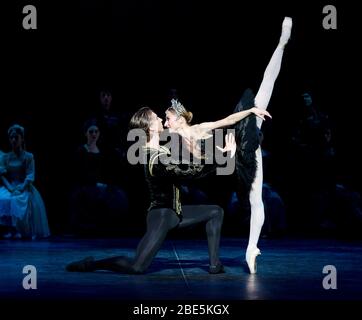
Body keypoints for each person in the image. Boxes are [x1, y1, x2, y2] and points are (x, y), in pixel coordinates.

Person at [164, 17, 292, 273]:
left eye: (168, 119)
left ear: (178, 120)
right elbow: (205, 166)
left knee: (264, 91)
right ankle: (252, 248)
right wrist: (227, 156)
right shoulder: (178, 143)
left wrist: (250, 112)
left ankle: (282, 43)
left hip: (241, 138)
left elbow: (226, 120)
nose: (166, 124)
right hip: (239, 155)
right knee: (256, 199)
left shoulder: (197, 129)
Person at [66, 107, 236, 274]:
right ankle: (91, 265)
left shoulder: (161, 150)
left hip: (175, 213)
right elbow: (191, 172)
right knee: (136, 266)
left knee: (216, 211)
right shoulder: (153, 157)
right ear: (150, 127)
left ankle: (215, 264)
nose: (161, 119)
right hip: (162, 216)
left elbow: (189, 165)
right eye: (156, 118)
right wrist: (223, 158)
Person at [69, 119, 129, 236]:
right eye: (91, 132)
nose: (94, 134)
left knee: (118, 195)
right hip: (85, 185)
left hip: (99, 184)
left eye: (96, 132)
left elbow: (103, 171)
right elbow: (81, 172)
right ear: (85, 134)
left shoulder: (101, 151)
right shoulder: (82, 150)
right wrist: (95, 183)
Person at [0, 124, 50, 239]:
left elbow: (30, 175)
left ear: (22, 139)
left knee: (18, 200)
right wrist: (11, 188)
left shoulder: (28, 156)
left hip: (24, 185)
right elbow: (2, 175)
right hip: (10, 185)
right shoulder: (5, 157)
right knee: (3, 198)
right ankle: (9, 229)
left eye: (16, 137)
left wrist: (21, 188)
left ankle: (19, 229)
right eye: (11, 137)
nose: (13, 140)